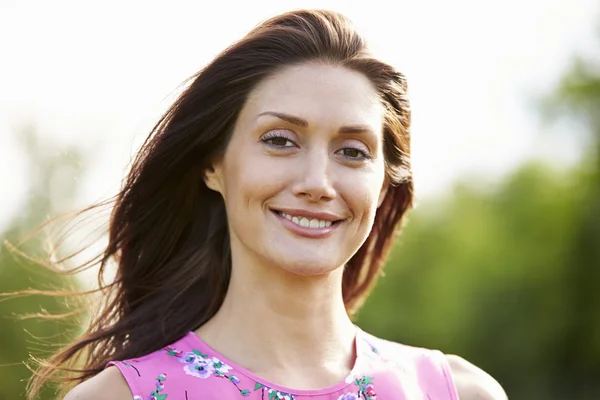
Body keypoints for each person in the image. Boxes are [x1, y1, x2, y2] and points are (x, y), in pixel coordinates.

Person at [29, 9, 507, 400]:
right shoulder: (116, 398)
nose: (317, 182)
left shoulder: (459, 392)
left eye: (353, 152)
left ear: (383, 186)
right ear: (213, 165)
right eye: (280, 141)